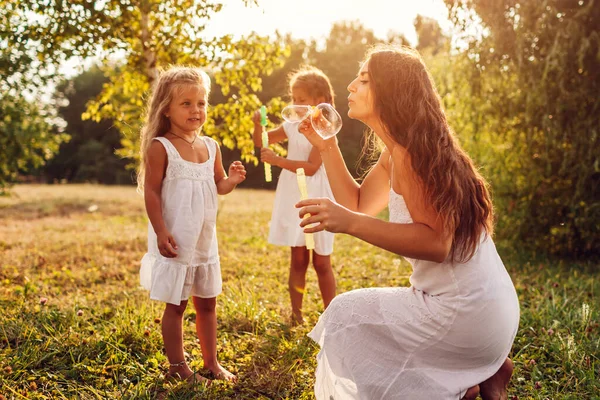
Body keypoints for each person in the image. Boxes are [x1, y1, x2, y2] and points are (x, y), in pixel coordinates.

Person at [296, 45, 520, 400]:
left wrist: (348, 223)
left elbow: (436, 244)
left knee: (344, 315)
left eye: (364, 79)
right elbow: (357, 203)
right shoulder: (401, 151)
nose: (351, 85)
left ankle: (463, 378)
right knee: (356, 318)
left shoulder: (414, 156)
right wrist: (327, 146)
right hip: (491, 311)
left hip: (466, 315)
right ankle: (481, 376)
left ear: (392, 92)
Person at [138, 66, 246, 384]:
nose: (195, 110)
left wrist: (232, 180)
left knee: (207, 302)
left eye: (201, 103)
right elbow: (152, 192)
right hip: (177, 239)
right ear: (166, 109)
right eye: (186, 103)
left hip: (204, 241)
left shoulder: (210, 146)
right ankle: (178, 367)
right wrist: (160, 231)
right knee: (177, 304)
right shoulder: (161, 147)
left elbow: (218, 185)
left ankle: (211, 363)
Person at [252, 66, 337, 324]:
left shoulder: (325, 126)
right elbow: (262, 141)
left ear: (319, 100)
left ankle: (331, 315)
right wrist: (258, 124)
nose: (296, 104)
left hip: (317, 193)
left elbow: (311, 168)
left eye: (302, 100)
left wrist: (278, 161)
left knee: (322, 262)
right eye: (294, 98)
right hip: (293, 193)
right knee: (298, 258)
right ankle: (296, 316)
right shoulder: (291, 124)